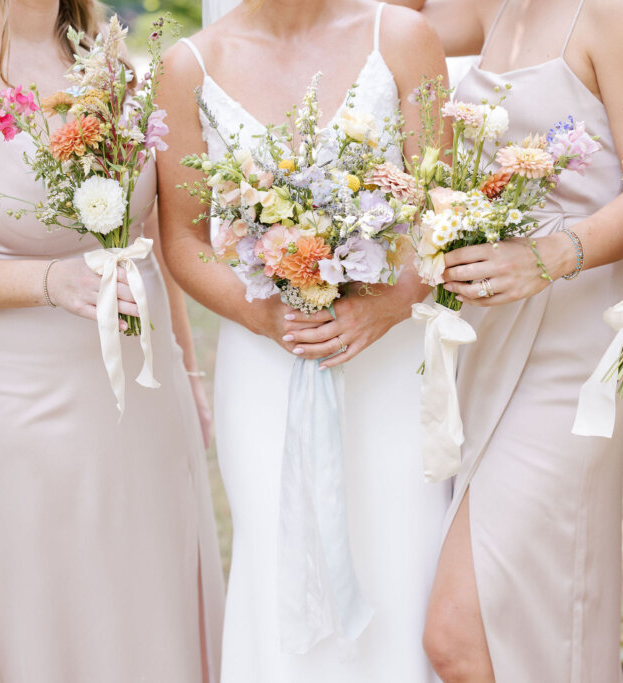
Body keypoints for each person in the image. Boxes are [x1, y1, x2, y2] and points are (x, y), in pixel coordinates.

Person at [0, 2, 224, 680]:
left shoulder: (99, 52)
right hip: (28, 402)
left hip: (144, 397)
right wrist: (46, 280)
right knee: (63, 608)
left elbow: (146, 237)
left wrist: (187, 371)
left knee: (148, 599)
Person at [385, 0, 623, 680]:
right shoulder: (497, 7)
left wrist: (551, 254)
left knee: (460, 635)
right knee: (517, 623)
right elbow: (385, 21)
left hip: (571, 354)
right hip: (486, 342)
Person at [156, 0, 452, 679]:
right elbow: (185, 239)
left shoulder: (402, 37)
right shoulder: (189, 66)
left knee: (401, 556)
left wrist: (388, 303)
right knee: (278, 559)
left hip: (387, 360)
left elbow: (442, 202)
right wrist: (262, 315)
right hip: (266, 365)